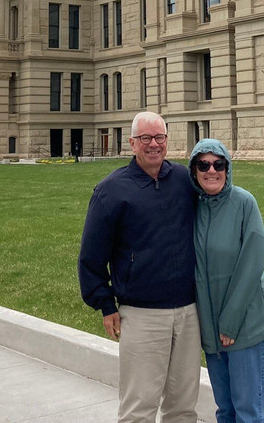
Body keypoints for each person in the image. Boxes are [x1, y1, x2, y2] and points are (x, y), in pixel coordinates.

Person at [78, 111, 200, 423]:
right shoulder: (112, 190)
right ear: (132, 143)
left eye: (160, 137)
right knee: (138, 409)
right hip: (142, 314)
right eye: (145, 138)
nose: (154, 144)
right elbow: (91, 256)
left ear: (167, 141)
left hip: (188, 312)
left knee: (183, 407)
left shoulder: (185, 181)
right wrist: (105, 304)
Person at [189, 138, 264, 423]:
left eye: (219, 164)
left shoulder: (243, 202)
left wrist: (229, 322)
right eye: (203, 164)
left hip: (245, 325)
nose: (211, 170)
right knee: (225, 411)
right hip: (212, 331)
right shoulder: (194, 209)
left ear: (228, 169)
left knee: (248, 412)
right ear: (194, 171)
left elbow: (252, 264)